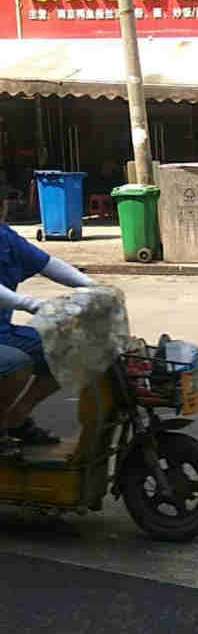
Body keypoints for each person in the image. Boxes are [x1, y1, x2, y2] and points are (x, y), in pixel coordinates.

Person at [0, 184, 94, 449]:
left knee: (69, 349)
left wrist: (93, 286)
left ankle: (15, 418)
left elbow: (47, 264)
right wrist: (30, 304)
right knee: (15, 363)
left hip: (3, 333)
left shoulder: (6, 238)